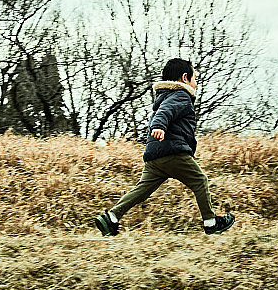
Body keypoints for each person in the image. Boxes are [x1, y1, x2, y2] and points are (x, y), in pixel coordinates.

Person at [94, 58, 235, 236]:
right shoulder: (181, 95)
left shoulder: (164, 97)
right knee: (200, 181)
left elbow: (164, 113)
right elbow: (165, 112)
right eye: (194, 78)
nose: (195, 84)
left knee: (142, 189)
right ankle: (211, 222)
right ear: (185, 78)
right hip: (172, 152)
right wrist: (160, 126)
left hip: (155, 155)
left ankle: (111, 217)